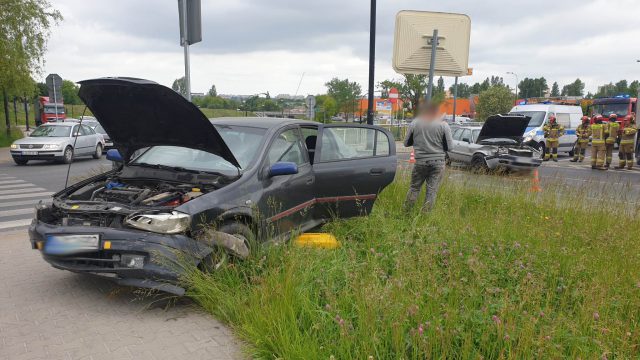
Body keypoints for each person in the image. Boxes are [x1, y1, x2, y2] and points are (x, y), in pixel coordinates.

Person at [403, 102, 453, 212]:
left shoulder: (415, 123)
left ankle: (406, 212)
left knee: (414, 188)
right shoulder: (443, 125)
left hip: (420, 162)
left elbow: (406, 143)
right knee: (432, 190)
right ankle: (425, 215)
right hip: (438, 162)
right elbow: (450, 147)